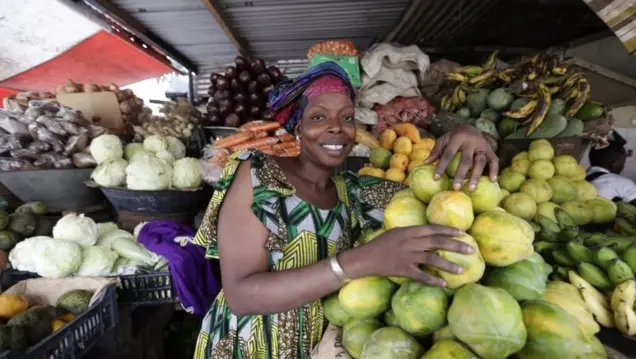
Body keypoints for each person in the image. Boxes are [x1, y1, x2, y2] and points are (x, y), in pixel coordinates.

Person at [192, 62, 499, 359]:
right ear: (297, 125)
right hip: (252, 345)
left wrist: (469, 138)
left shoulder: (354, 192)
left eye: (347, 118)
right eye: (319, 118)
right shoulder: (257, 174)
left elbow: (432, 197)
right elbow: (241, 295)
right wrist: (356, 263)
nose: (336, 128)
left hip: (323, 347)